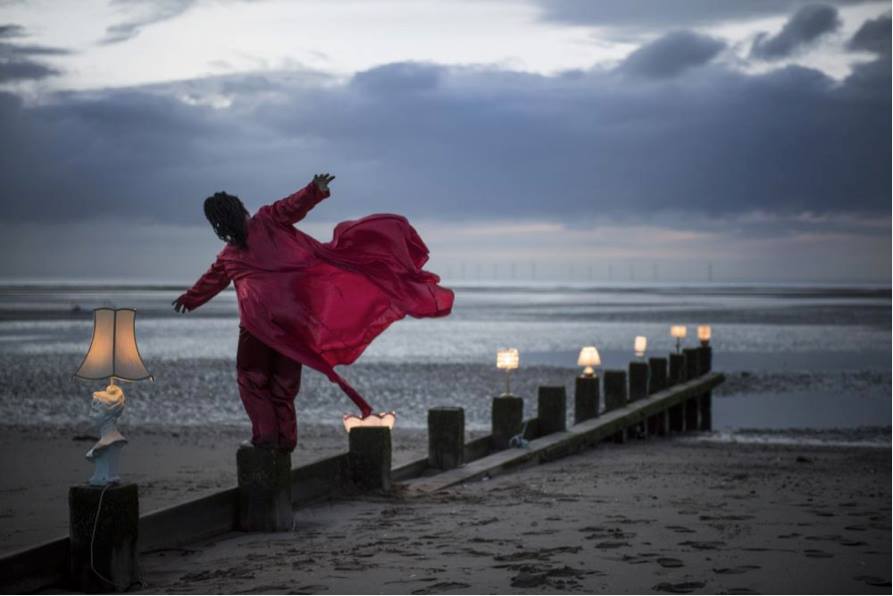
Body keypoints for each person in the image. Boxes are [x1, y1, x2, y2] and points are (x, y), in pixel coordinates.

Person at [173, 173, 454, 451]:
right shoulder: (259, 227)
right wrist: (314, 190)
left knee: (253, 380)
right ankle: (284, 441)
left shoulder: (240, 245)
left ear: (217, 224)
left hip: (260, 328)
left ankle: (267, 438)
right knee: (283, 384)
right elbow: (289, 208)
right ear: (240, 209)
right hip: (293, 322)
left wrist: (190, 299)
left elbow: (213, 278)